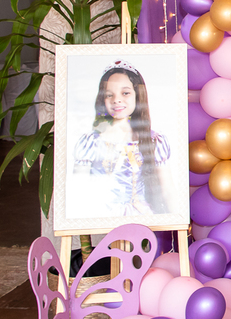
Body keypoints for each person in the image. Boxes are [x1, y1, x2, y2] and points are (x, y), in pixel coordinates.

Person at [73, 60, 171, 216]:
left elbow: (167, 191)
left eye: (125, 93)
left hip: (142, 215)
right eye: (109, 95)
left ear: (137, 95)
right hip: (103, 216)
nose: (116, 100)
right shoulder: (91, 142)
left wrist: (174, 218)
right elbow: (79, 191)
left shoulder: (154, 140)